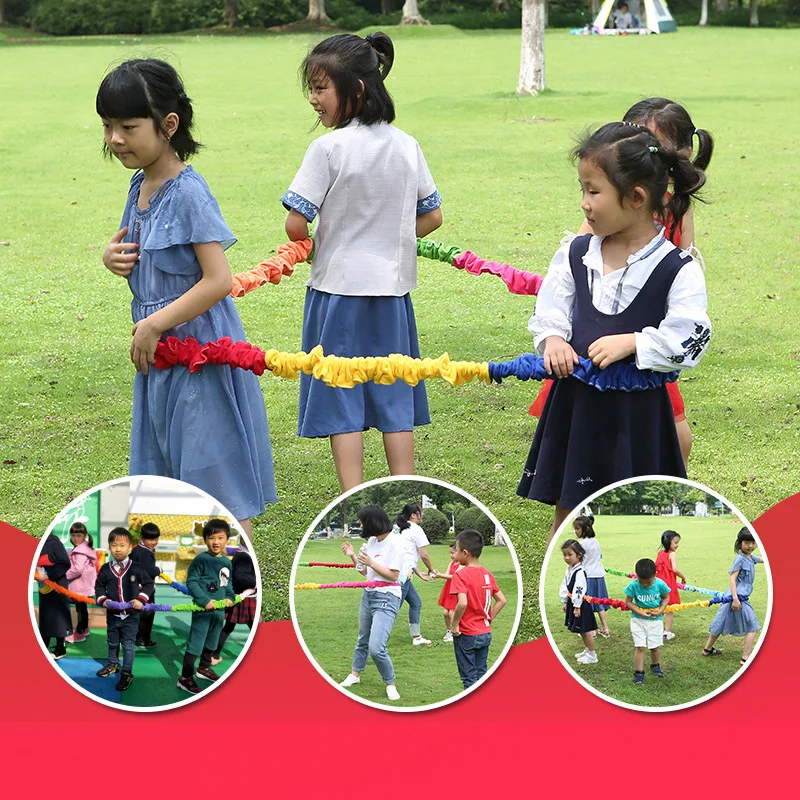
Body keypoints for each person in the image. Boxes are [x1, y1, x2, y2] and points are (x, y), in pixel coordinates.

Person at [96, 59, 276, 537]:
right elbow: (151, 265)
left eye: (128, 126)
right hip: (159, 356)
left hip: (199, 352)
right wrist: (113, 259)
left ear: (168, 125)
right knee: (168, 471)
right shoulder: (140, 185)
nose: (114, 138)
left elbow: (217, 279)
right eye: (108, 126)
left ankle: (240, 590)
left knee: (213, 474)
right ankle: (187, 591)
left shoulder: (188, 192)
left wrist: (155, 324)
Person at [517, 122, 711, 538]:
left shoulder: (678, 269)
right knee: (570, 507)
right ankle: (565, 582)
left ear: (636, 197)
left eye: (593, 191)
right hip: (579, 408)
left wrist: (636, 342)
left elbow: (691, 337)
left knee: (634, 508)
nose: (584, 203)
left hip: (638, 416)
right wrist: (553, 340)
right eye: (582, 189)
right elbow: (551, 306)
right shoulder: (576, 253)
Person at [282, 32, 443, 491]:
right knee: (394, 388)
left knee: (342, 395)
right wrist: (390, 239)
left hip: (337, 294)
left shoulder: (328, 149)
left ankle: (351, 496)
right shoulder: (406, 144)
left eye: (320, 88)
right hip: (391, 295)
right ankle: (406, 491)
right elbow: (431, 216)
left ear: (355, 90)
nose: (313, 99)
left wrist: (309, 241)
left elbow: (297, 222)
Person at [339, 505, 404, 701]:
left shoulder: (395, 543)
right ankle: (355, 674)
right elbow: (365, 572)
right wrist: (352, 555)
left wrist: (371, 563)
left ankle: (390, 683)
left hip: (387, 597)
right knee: (362, 639)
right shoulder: (372, 541)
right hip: (369, 594)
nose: (360, 525)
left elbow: (394, 576)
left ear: (372, 522)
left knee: (376, 647)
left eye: (362, 522)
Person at [178, 519, 235, 694]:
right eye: (211, 538)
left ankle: (203, 668)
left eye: (220, 538)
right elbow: (192, 582)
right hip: (203, 611)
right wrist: (204, 601)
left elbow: (228, 584)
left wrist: (229, 597)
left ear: (227, 539)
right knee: (196, 643)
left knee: (212, 641)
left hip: (218, 611)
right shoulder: (201, 559)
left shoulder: (227, 562)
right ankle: (185, 678)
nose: (216, 542)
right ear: (205, 539)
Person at [94, 528, 155, 692]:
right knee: (112, 641)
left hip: (131, 616)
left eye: (122, 545)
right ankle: (112, 663)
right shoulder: (106, 569)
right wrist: (103, 600)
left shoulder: (136, 568)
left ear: (130, 548)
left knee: (128, 645)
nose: (118, 549)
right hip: (113, 615)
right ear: (109, 547)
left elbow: (149, 585)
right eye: (114, 545)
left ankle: (127, 672)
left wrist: (141, 599)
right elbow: (99, 587)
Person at [450, 530, 506, 689]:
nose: (455, 553)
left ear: (465, 553)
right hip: (485, 633)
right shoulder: (487, 574)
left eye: (457, 550)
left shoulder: (460, 575)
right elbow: (501, 600)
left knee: (469, 678)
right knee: (482, 674)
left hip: (466, 634)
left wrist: (454, 626)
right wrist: (488, 619)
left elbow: (462, 603)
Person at [702, 528, 762, 667]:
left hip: (736, 597)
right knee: (752, 626)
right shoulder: (740, 559)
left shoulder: (750, 557)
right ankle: (745, 658)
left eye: (753, 542)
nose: (750, 546)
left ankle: (707, 649)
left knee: (721, 622)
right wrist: (735, 599)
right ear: (740, 543)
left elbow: (763, 559)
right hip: (737, 598)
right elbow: (732, 579)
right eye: (747, 542)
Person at [624, 558, 671, 685]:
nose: (644, 585)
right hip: (637, 620)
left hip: (655, 621)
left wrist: (661, 610)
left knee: (654, 647)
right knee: (640, 646)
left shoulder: (660, 584)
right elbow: (628, 602)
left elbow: (666, 597)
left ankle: (655, 665)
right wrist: (640, 612)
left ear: (654, 575)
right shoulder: (633, 585)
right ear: (637, 576)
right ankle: (639, 673)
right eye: (641, 582)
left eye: (648, 582)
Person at [212, 537, 257, 666]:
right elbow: (242, 579)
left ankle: (215, 655)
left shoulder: (242, 554)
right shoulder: (244, 556)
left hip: (242, 597)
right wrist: (257, 581)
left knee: (228, 628)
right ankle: (214, 656)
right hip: (244, 599)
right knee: (256, 627)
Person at [395, 502, 436, 646]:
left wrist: (417, 571)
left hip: (402, 572)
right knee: (392, 608)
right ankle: (376, 638)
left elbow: (406, 552)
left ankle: (416, 637)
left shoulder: (399, 528)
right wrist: (431, 569)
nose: (422, 514)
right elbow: (423, 554)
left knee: (415, 603)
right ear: (413, 515)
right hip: (403, 575)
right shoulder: (415, 529)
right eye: (420, 512)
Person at [559, 539, 598, 664]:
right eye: (565, 555)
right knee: (580, 630)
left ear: (579, 555)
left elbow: (579, 590)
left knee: (585, 630)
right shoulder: (569, 569)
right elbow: (565, 586)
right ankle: (587, 649)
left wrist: (577, 606)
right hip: (573, 603)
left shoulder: (580, 572)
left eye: (570, 555)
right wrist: (565, 601)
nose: (567, 558)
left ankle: (592, 655)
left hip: (581, 604)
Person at [35, 534, 73, 660]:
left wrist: (49, 576)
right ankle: (43, 646)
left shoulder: (54, 543)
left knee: (58, 617)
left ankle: (60, 648)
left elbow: (64, 563)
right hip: (44, 587)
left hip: (57, 586)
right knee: (46, 616)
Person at [572, 515, 610, 638]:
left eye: (577, 529)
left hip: (587, 576)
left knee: (587, 604)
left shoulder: (581, 544)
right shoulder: (596, 542)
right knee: (599, 603)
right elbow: (599, 556)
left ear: (585, 529)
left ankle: (591, 630)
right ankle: (605, 628)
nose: (575, 531)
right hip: (599, 576)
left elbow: (577, 560)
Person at [130, 522, 161, 649]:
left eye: (156, 538)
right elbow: (149, 570)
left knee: (138, 614)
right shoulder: (145, 552)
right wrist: (159, 570)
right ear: (142, 538)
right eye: (150, 539)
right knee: (148, 613)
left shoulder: (137, 549)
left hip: (136, 587)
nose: (153, 542)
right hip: (145, 589)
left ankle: (138, 637)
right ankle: (143, 639)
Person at [64, 523, 96, 645]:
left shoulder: (80, 551)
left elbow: (77, 569)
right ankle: (85, 629)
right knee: (82, 608)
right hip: (84, 585)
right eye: (73, 535)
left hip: (80, 586)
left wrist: (64, 576)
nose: (75, 538)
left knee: (81, 610)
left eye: (78, 535)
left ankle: (79, 633)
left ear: (84, 535)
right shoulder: (85, 547)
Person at [655, 530, 686, 641]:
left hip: (658, 585)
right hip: (669, 585)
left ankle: (655, 629)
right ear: (669, 542)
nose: (677, 545)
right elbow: (675, 569)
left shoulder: (660, 553)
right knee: (669, 609)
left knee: (659, 607)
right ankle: (667, 632)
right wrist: (683, 576)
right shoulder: (672, 554)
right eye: (675, 543)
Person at [434, 542, 460, 642]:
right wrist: (437, 574)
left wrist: (440, 575)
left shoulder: (462, 565)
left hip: (455, 591)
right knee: (445, 613)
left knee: (452, 613)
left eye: (453, 553)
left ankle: (454, 631)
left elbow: (454, 577)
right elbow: (446, 575)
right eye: (450, 553)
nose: (451, 555)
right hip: (448, 589)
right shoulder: (451, 564)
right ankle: (449, 630)